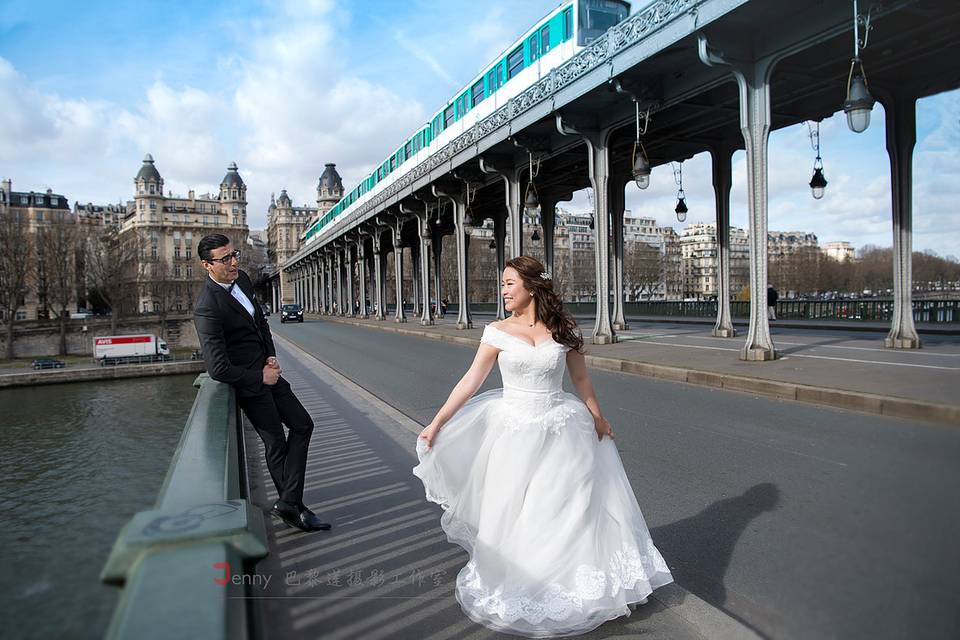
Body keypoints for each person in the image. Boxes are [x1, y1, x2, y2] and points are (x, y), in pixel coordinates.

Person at [413, 256, 673, 637]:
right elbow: (470, 381)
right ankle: (526, 579)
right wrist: (437, 423)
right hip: (513, 431)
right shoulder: (496, 332)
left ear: (531, 287)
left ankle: (574, 584)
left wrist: (598, 418)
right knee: (517, 510)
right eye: (502, 284)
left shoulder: (563, 329)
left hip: (563, 428)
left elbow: (581, 379)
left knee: (567, 509)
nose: (502, 291)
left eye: (508, 283)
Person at [193, 234, 331, 533]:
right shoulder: (207, 306)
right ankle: (296, 508)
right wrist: (259, 376)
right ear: (207, 265)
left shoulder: (241, 279)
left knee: (303, 424)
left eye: (234, 254)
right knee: (275, 443)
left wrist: (270, 356)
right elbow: (217, 368)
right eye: (225, 259)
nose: (234, 262)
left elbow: (260, 323)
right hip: (250, 385)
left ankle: (288, 502)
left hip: (268, 372)